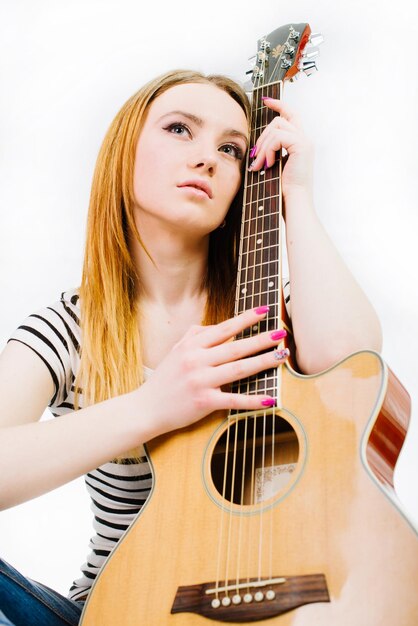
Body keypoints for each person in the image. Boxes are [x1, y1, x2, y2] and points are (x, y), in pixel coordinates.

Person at [0, 69, 382, 626]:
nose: (207, 158)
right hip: (116, 613)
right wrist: (153, 405)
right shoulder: (67, 331)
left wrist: (293, 194)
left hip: (297, 606)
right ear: (123, 151)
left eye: (231, 149)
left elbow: (357, 367)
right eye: (180, 130)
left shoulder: (271, 311)